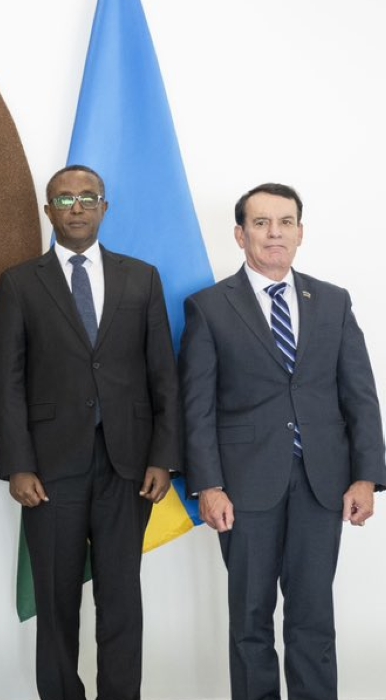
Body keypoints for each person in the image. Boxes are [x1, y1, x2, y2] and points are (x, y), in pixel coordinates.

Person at [179, 183, 385, 700]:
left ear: (300, 232)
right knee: (250, 619)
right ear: (240, 234)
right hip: (243, 487)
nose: (275, 233)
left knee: (313, 616)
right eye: (261, 223)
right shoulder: (209, 307)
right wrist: (209, 486)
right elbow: (197, 407)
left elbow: (360, 395)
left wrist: (366, 476)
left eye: (285, 222)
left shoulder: (333, 302)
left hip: (322, 483)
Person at [0, 165, 179, 700]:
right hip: (50, 469)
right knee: (56, 601)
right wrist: (18, 464)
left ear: (104, 207)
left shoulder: (141, 277)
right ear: (48, 211)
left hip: (128, 465)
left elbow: (162, 373)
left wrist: (163, 456)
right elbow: (6, 381)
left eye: (88, 198)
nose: (77, 207)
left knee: (121, 599)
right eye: (65, 199)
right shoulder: (20, 282)